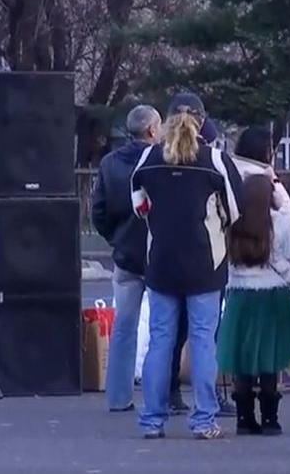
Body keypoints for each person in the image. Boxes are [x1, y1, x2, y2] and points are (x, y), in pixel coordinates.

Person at [131, 92, 243, 440]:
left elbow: (139, 207)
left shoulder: (148, 158)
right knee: (203, 341)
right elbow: (235, 210)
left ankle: (152, 419)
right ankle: (204, 419)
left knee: (161, 341)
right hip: (205, 262)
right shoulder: (215, 160)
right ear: (202, 122)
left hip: (161, 260)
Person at [218, 127, 290, 437]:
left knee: (242, 357)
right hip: (273, 294)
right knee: (271, 357)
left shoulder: (233, 224)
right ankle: (271, 417)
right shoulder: (280, 221)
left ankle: (244, 416)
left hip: (240, 293)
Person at [92, 105, 183, 413]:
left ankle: (118, 396)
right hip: (157, 253)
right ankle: (160, 397)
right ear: (152, 131)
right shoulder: (161, 161)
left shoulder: (109, 163)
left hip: (125, 256)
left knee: (124, 327)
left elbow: (99, 212)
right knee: (162, 329)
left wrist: (115, 239)